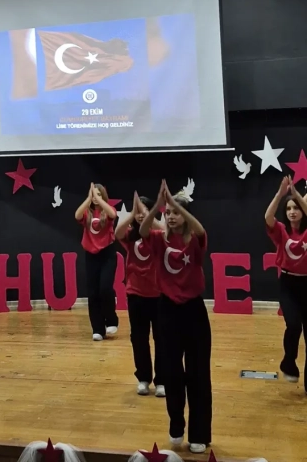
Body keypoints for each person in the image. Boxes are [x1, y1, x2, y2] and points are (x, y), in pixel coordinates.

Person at [139, 180, 211, 455]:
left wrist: (179, 204)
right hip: (167, 310)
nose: (170, 216)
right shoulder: (159, 239)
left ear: (186, 215)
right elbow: (143, 230)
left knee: (198, 373)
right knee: (171, 371)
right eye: (168, 213)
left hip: (194, 311)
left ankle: (199, 433)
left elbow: (200, 230)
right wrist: (159, 204)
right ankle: (176, 423)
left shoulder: (196, 241)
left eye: (176, 212)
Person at [116, 191, 165, 397]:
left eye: (144, 211)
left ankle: (162, 381)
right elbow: (117, 232)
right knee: (139, 338)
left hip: (159, 294)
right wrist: (133, 213)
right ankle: (144, 378)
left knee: (162, 338)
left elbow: (165, 230)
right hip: (136, 294)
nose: (140, 214)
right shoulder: (130, 236)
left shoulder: (158, 235)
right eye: (137, 211)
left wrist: (148, 215)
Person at [264, 176, 307, 389]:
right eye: (289, 208)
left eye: (296, 208)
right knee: (294, 325)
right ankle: (289, 363)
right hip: (289, 285)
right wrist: (281, 194)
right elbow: (268, 217)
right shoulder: (281, 230)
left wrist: (297, 194)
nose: (292, 211)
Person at [75, 182, 119, 340]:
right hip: (91, 255)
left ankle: (111, 320)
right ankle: (98, 329)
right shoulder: (87, 213)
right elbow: (77, 215)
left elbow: (113, 214)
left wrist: (100, 199)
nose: (95, 198)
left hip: (107, 254)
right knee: (93, 293)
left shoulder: (107, 211)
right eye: (93, 194)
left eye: (99, 194)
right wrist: (89, 198)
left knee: (105, 289)